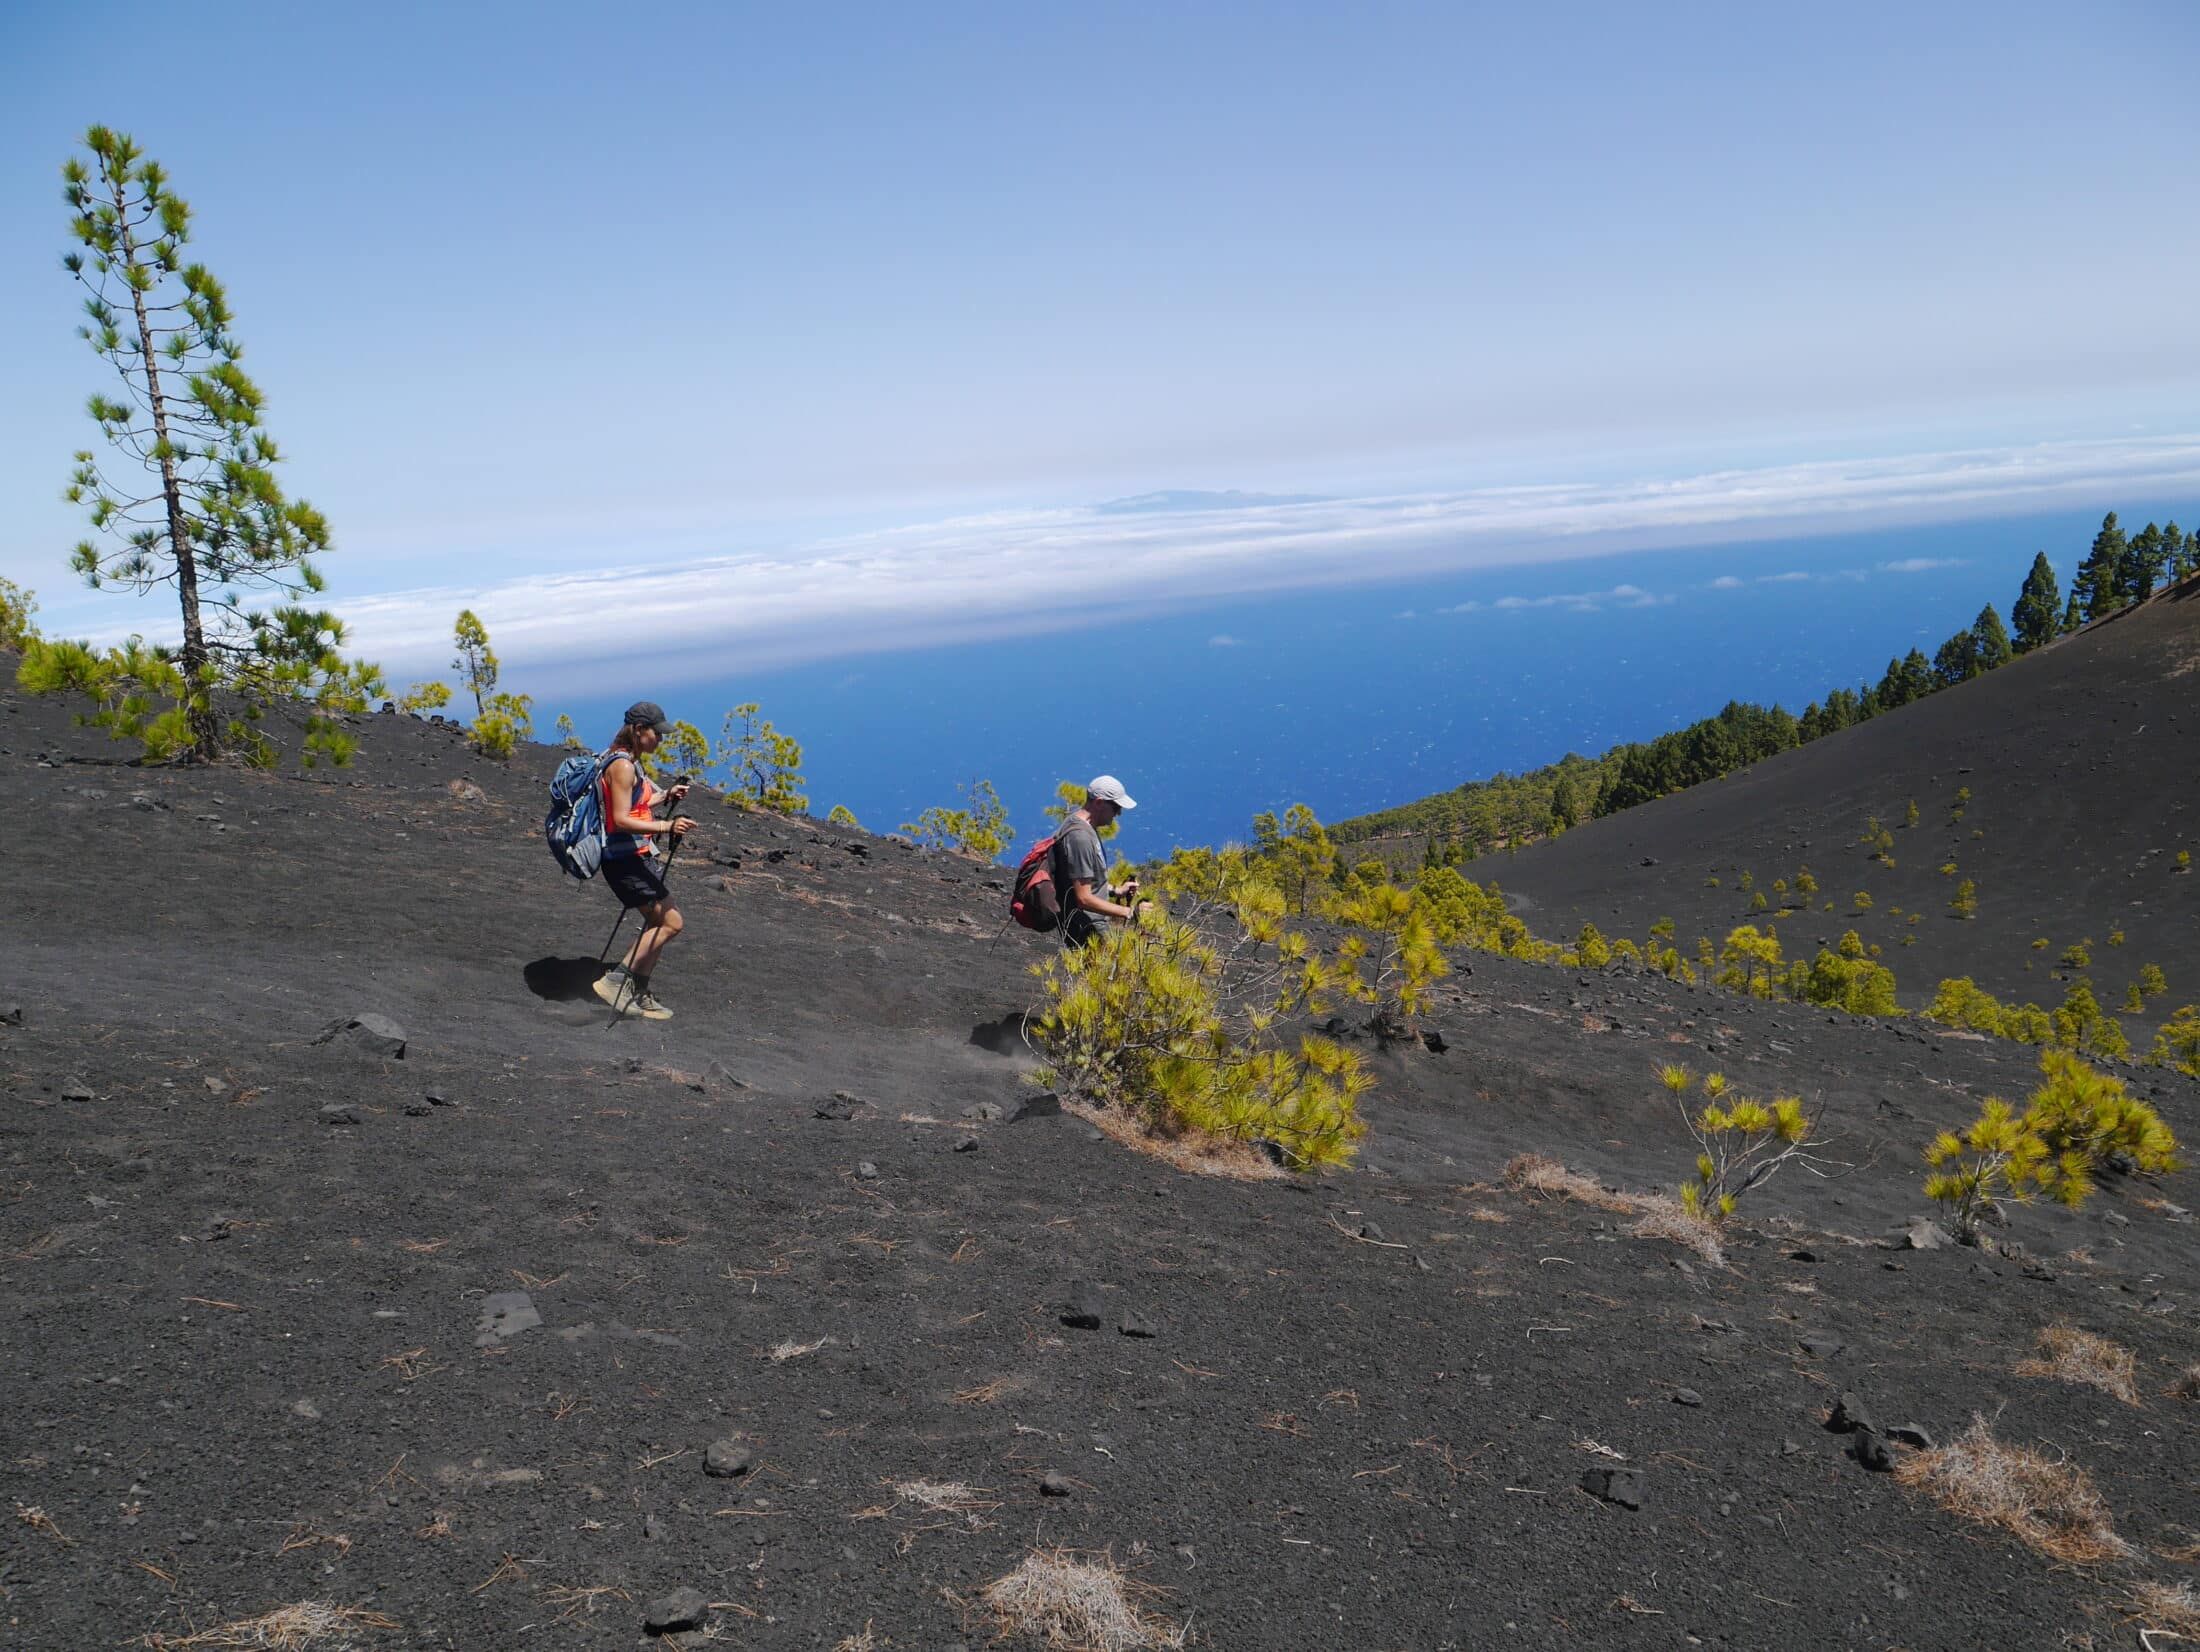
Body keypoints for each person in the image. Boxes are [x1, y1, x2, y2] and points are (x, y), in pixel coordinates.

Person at [592, 701, 697, 1019]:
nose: (660, 740)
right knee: (672, 922)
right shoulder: (622, 766)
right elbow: (620, 819)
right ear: (639, 730)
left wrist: (664, 796)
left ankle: (637, 991)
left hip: (632, 856)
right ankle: (617, 981)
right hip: (624, 859)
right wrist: (666, 825)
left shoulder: (624, 760)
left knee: (660, 922)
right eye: (657, 733)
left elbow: (636, 803)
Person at [1053, 774, 1145, 947]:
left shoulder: (1083, 826)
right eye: (1116, 806)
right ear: (1099, 803)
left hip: (1090, 923)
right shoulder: (1080, 838)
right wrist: (1130, 912)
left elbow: (1080, 879)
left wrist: (1115, 891)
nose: (1119, 812)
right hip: (1086, 927)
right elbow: (1084, 898)